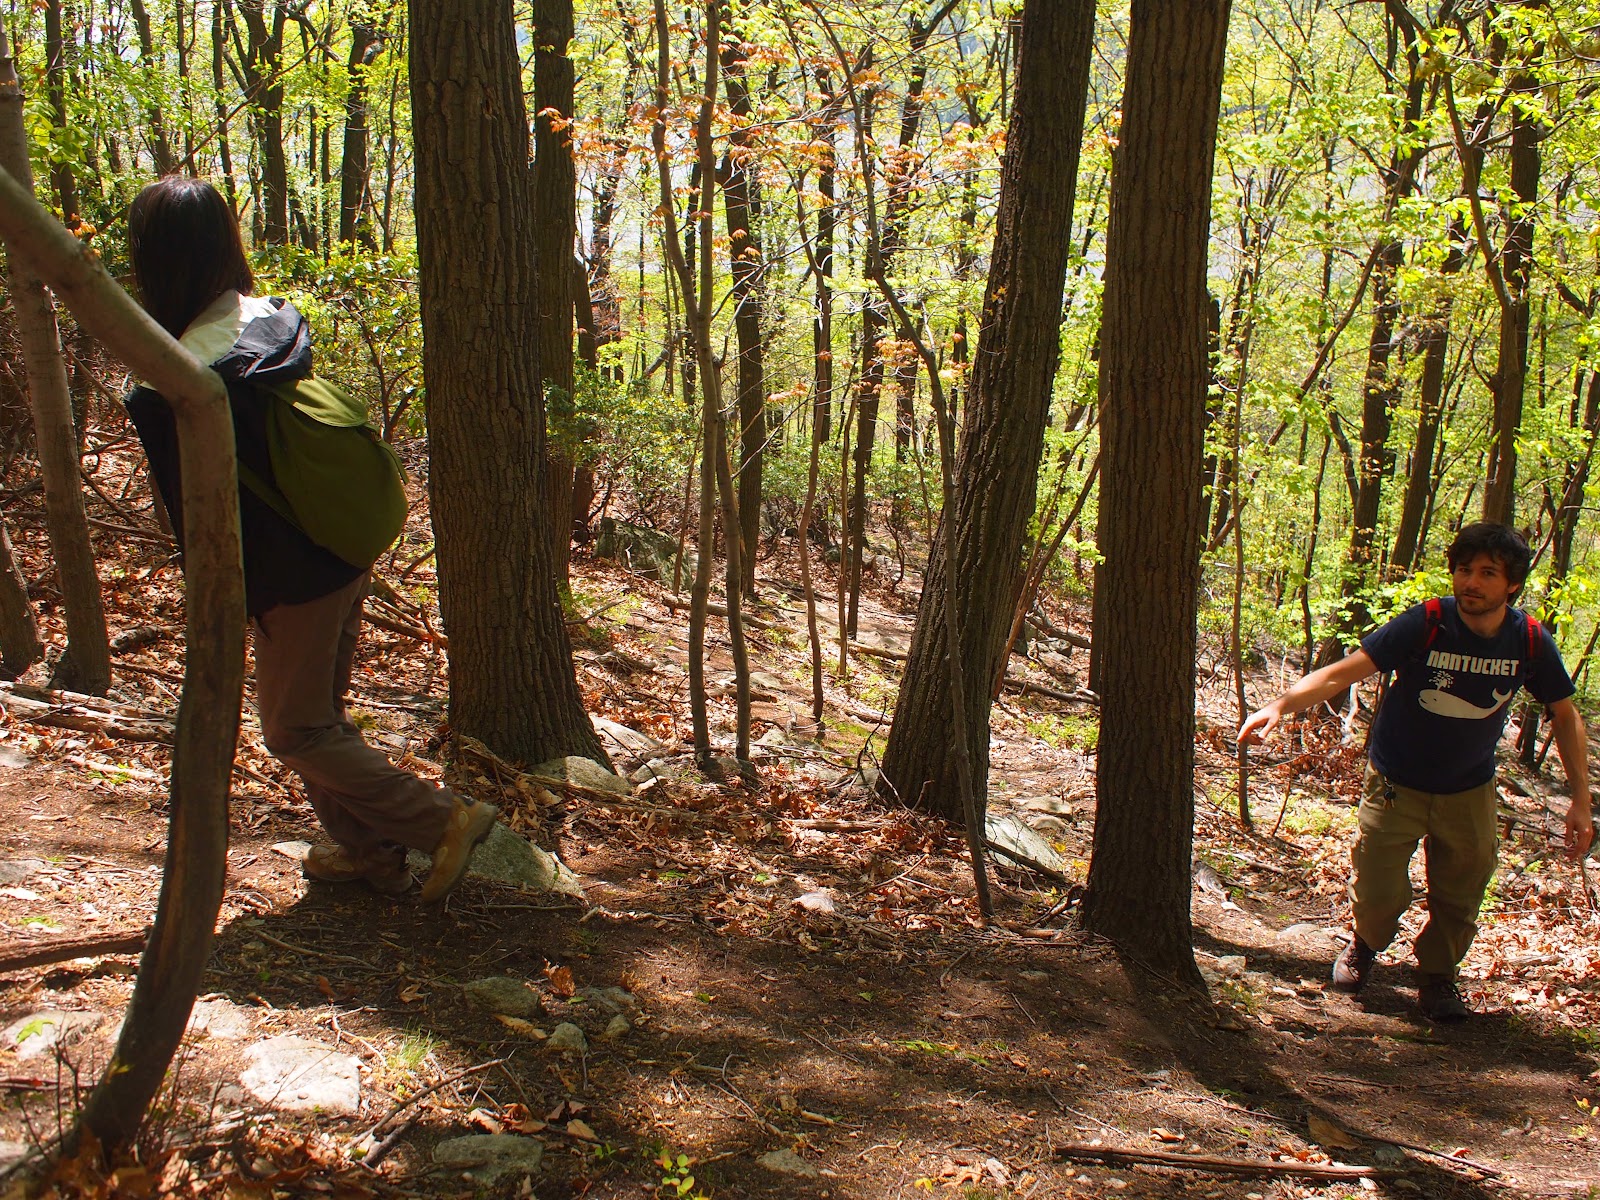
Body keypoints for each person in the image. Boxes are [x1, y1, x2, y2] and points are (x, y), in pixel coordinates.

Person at [123, 176, 497, 901]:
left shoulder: (178, 374)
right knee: (315, 717)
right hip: (339, 543)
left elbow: (197, 510)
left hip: (290, 571)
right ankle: (367, 850)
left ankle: (443, 822)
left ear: (156, 259)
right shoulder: (271, 322)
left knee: (296, 731)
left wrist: (224, 594)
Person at [1238, 523, 1594, 1022]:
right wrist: (1281, 704)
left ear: (1511, 583)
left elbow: (1565, 713)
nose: (1471, 582)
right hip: (1396, 780)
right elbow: (1348, 669)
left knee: (1462, 889)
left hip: (1468, 787)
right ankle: (1364, 945)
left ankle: (1437, 977)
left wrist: (1580, 798)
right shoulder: (1428, 622)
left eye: (1487, 573)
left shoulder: (1528, 640)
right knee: (1379, 884)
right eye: (1464, 570)